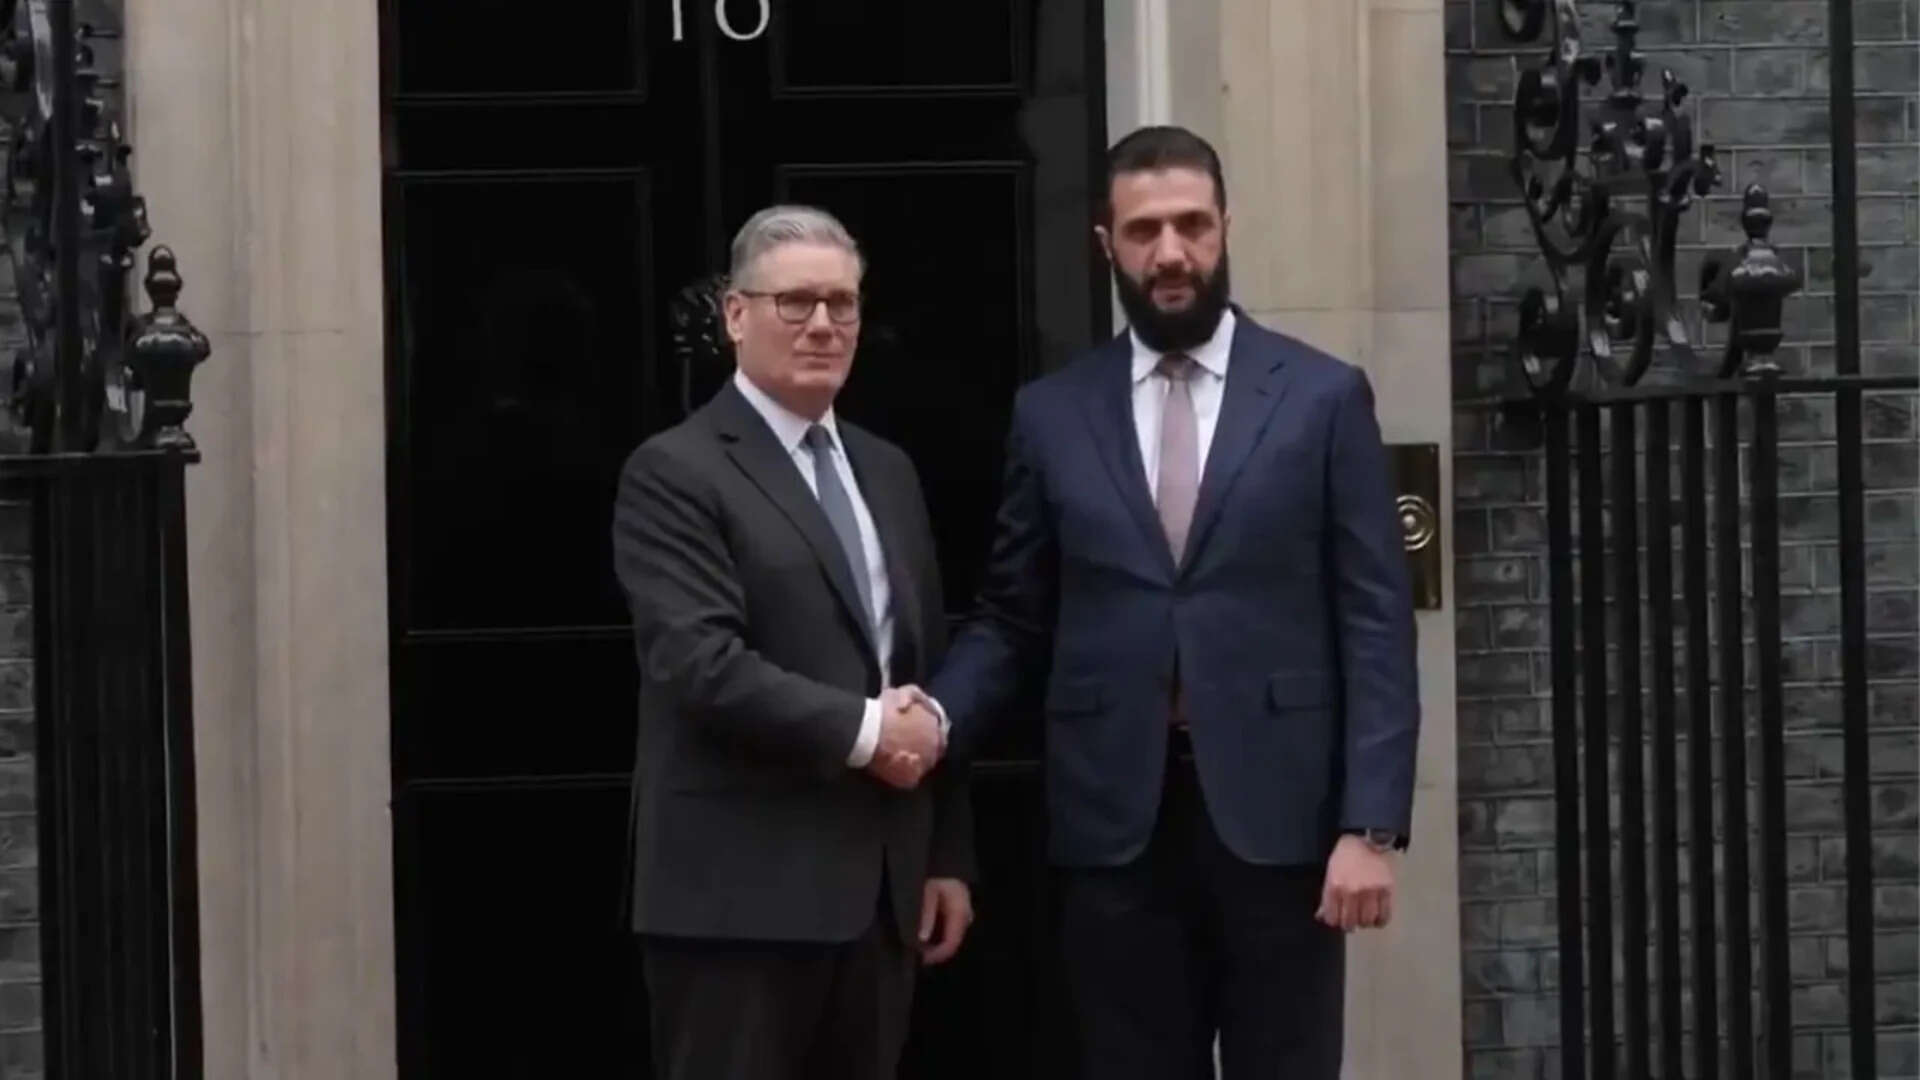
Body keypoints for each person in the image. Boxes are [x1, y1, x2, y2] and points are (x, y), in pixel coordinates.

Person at [925, 125, 1420, 1079]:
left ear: (1227, 227)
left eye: (1192, 224)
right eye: (1144, 230)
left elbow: (1375, 621)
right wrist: (936, 718)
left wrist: (1369, 827)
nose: (1171, 253)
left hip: (1283, 824)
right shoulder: (1051, 413)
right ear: (1106, 245)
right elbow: (1013, 615)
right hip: (1114, 825)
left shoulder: (1322, 398)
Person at [612, 205, 974, 1080]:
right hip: (737, 903)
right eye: (796, 302)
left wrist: (945, 856)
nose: (822, 324)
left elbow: (919, 667)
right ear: (737, 315)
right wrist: (871, 733)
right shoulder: (675, 471)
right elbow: (699, 664)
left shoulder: (887, 470)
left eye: (842, 304)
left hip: (881, 895)